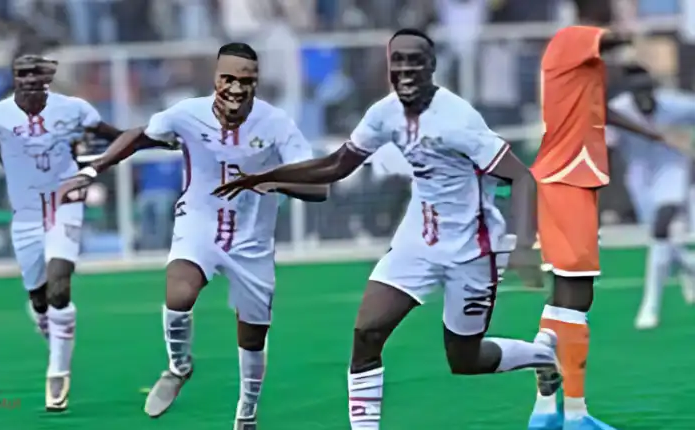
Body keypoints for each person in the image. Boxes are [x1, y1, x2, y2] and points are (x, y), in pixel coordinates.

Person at [213, 28, 560, 430]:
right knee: (367, 333)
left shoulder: (458, 119)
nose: (406, 69)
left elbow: (521, 176)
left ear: (432, 66)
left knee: (465, 359)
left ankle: (543, 356)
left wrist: (523, 245)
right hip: (417, 243)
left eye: (416, 60)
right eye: (398, 60)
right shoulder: (384, 113)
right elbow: (338, 164)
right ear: (388, 66)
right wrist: (266, 176)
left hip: (471, 249)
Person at [56, 42, 328, 429]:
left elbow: (319, 187)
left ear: (256, 82)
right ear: (215, 78)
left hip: (251, 239)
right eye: (228, 79)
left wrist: (269, 180)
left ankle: (247, 412)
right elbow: (140, 135)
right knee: (179, 293)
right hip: (199, 223)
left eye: (246, 81)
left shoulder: (277, 124)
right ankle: (179, 366)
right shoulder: (187, 114)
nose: (236, 88)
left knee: (252, 335)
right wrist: (92, 169)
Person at [0, 54, 122, 411]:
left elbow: (116, 137)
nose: (28, 80)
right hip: (25, 217)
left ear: (46, 79)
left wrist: (156, 140)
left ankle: (58, 371)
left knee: (60, 285)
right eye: (21, 74)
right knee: (40, 300)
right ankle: (48, 325)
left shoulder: (73, 109)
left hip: (65, 205)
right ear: (14, 78)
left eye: (34, 74)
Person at [528, 2, 668, 427]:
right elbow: (618, 38)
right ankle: (576, 415)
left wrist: (652, 134)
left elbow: (601, 110)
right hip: (567, 180)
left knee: (564, 297)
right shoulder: (572, 39)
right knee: (576, 297)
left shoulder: (580, 61)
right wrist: (635, 21)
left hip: (567, 180)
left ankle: (544, 412)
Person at [608, 65, 695, 329]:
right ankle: (689, 266)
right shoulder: (618, 109)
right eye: (637, 91)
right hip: (639, 175)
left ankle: (650, 306)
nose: (644, 96)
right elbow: (608, 146)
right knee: (661, 239)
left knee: (661, 227)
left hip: (672, 168)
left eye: (648, 89)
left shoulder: (675, 104)